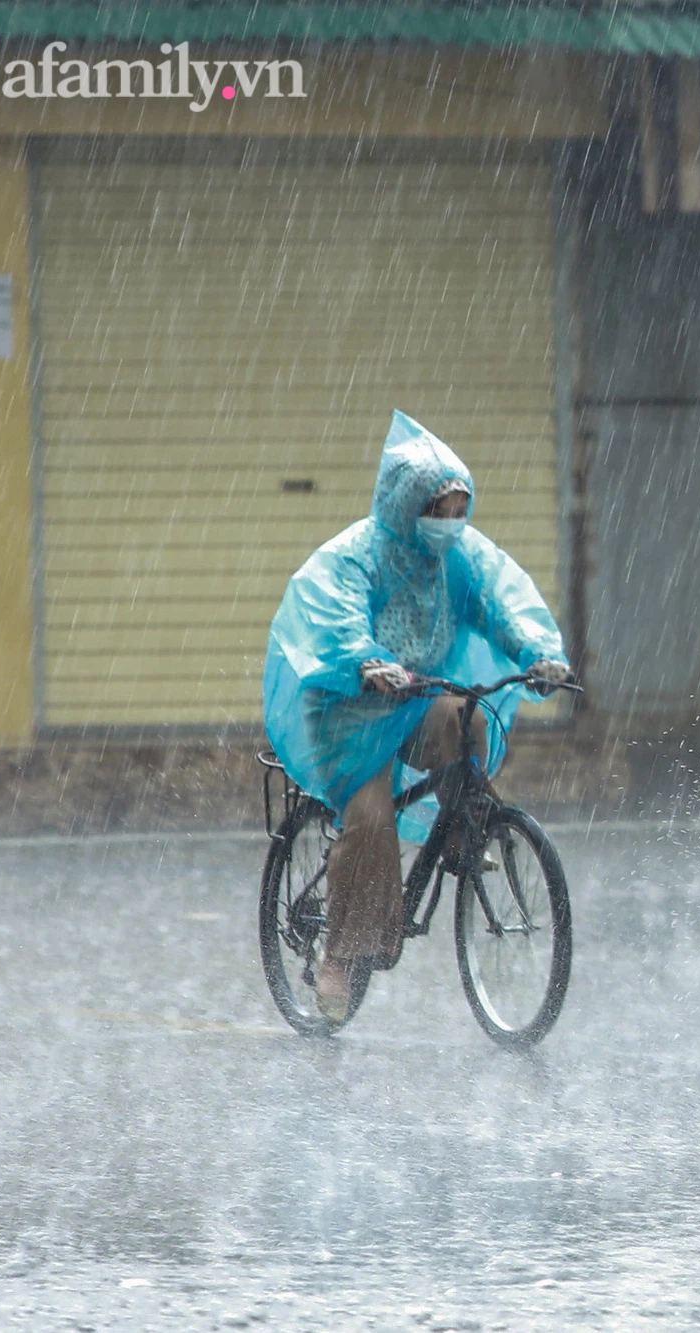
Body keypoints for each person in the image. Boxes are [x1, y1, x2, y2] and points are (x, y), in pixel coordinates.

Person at [263, 411, 572, 1023]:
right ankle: (339, 959)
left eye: (460, 510)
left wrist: (539, 654)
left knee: (469, 719)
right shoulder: (355, 556)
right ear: (407, 504)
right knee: (371, 819)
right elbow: (335, 616)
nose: (450, 524)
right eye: (439, 509)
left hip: (416, 698)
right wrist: (367, 661)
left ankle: (468, 826)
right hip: (348, 712)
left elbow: (500, 600)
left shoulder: (459, 555)